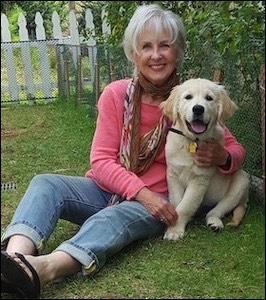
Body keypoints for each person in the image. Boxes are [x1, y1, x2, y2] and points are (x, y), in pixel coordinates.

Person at [1, 4, 246, 299]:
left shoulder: (189, 98)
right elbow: (101, 161)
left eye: (165, 46)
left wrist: (223, 158)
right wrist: (139, 191)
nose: (155, 55)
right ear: (134, 53)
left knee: (110, 220)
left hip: (158, 201)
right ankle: (14, 261)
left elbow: (232, 147)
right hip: (109, 190)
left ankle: (43, 269)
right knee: (45, 183)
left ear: (177, 52)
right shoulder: (116, 94)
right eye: (146, 46)